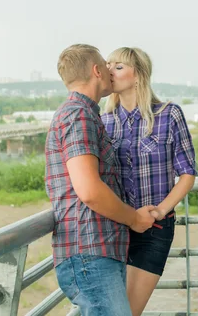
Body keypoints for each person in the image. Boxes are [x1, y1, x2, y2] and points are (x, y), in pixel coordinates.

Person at [45, 44, 156, 316]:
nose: (110, 71)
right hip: (89, 253)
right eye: (107, 65)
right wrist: (134, 219)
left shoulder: (86, 114)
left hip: (97, 251)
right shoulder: (78, 115)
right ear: (96, 70)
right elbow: (89, 190)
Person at [102, 47, 197, 316]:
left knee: (127, 312)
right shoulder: (103, 121)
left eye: (118, 66)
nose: (110, 70)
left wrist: (162, 210)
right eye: (108, 65)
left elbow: (188, 173)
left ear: (139, 75)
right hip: (113, 230)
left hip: (154, 229)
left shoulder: (169, 114)